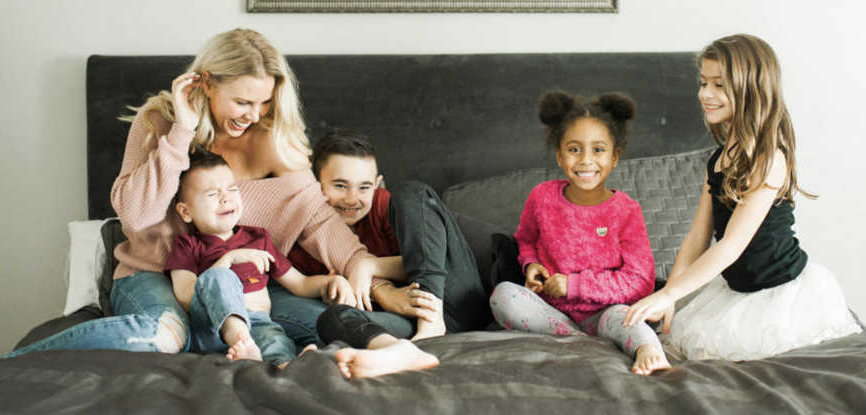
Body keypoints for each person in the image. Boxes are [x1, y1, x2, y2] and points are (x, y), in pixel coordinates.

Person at [4, 28, 379, 359]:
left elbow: (316, 218)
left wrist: (365, 272)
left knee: (333, 329)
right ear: (206, 83)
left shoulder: (271, 138)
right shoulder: (157, 122)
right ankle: (15, 362)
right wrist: (182, 131)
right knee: (165, 338)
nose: (254, 113)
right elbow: (136, 216)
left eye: (264, 101)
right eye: (243, 102)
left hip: (232, 285)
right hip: (152, 277)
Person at [623, 34, 862, 361]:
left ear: (750, 89)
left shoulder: (768, 160)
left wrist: (671, 292)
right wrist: (669, 298)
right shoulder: (718, 159)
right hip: (736, 289)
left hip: (778, 292)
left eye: (719, 85)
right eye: (703, 82)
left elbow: (731, 245)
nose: (705, 93)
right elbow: (698, 237)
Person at [489, 91, 671, 376]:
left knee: (628, 318)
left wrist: (575, 286)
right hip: (551, 312)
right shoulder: (542, 197)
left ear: (615, 157)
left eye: (598, 150)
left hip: (606, 313)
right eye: (575, 150)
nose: (586, 160)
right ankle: (578, 340)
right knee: (503, 296)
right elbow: (525, 240)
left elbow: (640, 282)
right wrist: (531, 265)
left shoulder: (625, 211)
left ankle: (647, 348)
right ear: (560, 156)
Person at [287, 129, 490, 341]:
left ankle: (431, 323)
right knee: (333, 319)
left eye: (364, 187)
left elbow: (429, 258)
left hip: (457, 296)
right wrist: (361, 290)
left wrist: (368, 266)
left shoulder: (384, 207)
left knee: (411, 193)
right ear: (314, 184)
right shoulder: (307, 232)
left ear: (376, 184)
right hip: (406, 317)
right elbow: (311, 284)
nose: (351, 199)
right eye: (340, 185)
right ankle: (424, 340)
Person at [164, 148, 354, 366]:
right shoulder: (187, 245)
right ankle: (241, 339)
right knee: (220, 277)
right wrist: (228, 260)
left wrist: (329, 282)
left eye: (232, 189)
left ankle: (285, 367)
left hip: (259, 322)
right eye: (212, 194)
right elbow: (187, 297)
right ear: (185, 212)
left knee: (275, 342)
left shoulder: (257, 238)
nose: (226, 199)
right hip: (211, 327)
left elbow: (299, 283)